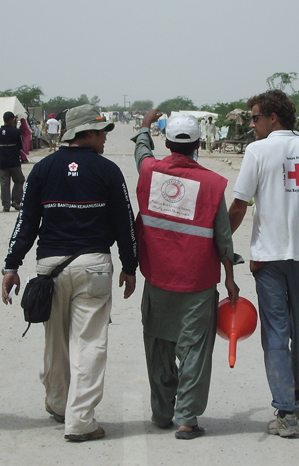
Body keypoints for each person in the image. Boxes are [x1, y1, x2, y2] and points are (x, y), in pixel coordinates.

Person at [0, 104, 138, 443]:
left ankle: (60, 404)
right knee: (90, 344)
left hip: (50, 269)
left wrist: (11, 265)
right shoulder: (108, 171)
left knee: (56, 342)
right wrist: (130, 267)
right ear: (85, 133)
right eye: (102, 132)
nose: (105, 138)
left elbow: (26, 221)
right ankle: (80, 421)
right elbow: (125, 225)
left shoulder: (43, 169)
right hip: (93, 266)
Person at [228, 90, 299, 438]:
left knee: (277, 331)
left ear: (272, 118)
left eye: (255, 117)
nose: (252, 124)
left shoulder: (258, 151)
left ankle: (286, 410)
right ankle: (295, 388)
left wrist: (219, 243)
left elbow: (240, 205)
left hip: (269, 259)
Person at [132, 110, 241, 440]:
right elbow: (223, 237)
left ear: (167, 142)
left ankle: (162, 412)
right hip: (197, 283)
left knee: (159, 346)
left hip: (158, 278)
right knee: (194, 351)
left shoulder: (150, 172)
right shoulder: (210, 184)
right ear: (198, 144)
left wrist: (144, 126)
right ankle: (186, 419)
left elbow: (142, 152)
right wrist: (230, 277)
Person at [0, 111, 25, 212]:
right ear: (12, 119)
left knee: (4, 183)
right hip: (14, 162)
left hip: (3, 162)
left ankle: (6, 204)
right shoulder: (16, 132)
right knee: (19, 180)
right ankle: (16, 201)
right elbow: (21, 146)